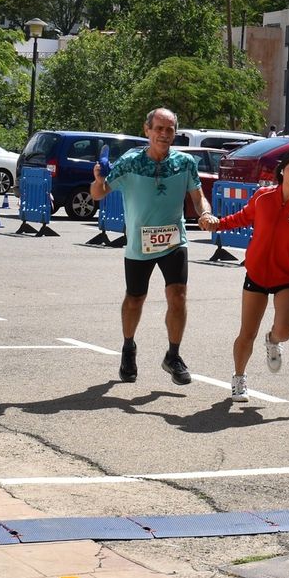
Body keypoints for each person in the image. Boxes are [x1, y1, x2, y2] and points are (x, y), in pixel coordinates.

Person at [200, 149, 289, 401]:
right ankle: (239, 378)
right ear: (282, 170)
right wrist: (218, 224)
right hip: (257, 274)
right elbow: (243, 217)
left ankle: (273, 341)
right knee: (247, 333)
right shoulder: (263, 197)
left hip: (288, 277)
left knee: (284, 330)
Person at [91, 107, 212, 386]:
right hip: (139, 243)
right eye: (159, 128)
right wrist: (98, 180)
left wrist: (204, 213)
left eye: (169, 129)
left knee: (178, 296)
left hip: (173, 239)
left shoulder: (185, 163)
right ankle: (128, 347)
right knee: (135, 299)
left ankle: (173, 355)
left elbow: (198, 197)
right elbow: (98, 194)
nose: (164, 134)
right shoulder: (130, 162)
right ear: (147, 131)